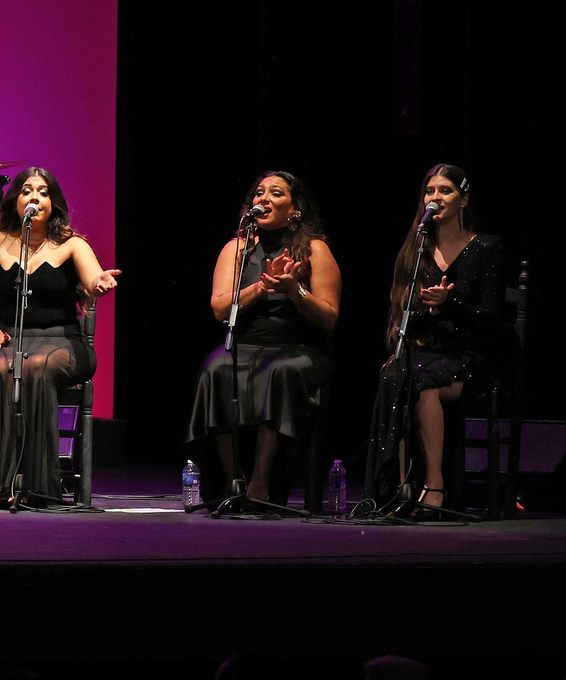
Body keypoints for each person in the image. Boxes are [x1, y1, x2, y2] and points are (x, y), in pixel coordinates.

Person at [0, 167, 120, 507]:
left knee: (35, 367)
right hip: (12, 340)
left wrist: (99, 284)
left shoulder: (72, 244)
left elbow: (93, 277)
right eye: (27, 191)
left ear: (53, 203)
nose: (35, 196)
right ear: (16, 201)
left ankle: (40, 486)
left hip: (63, 342)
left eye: (43, 192)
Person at [185, 171, 337, 507]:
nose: (263, 199)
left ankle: (260, 481)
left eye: (276, 193)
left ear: (294, 209)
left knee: (278, 372)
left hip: (298, 347)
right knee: (215, 371)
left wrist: (293, 289)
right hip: (246, 342)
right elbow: (220, 308)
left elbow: (328, 316)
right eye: (258, 193)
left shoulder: (315, 249)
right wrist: (262, 286)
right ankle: (234, 478)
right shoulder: (236, 249)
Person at [368, 164, 509, 512]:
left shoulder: (486, 248)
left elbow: (491, 321)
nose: (435, 198)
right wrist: (428, 313)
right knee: (395, 373)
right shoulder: (415, 251)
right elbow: (402, 318)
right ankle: (398, 488)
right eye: (429, 192)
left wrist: (450, 305)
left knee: (421, 377)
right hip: (426, 354)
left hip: (471, 358)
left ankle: (435, 486)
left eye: (444, 191)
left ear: (464, 200)